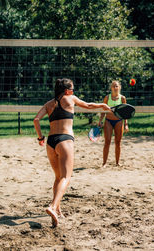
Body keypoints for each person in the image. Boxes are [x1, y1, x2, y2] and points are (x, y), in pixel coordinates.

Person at [33, 78, 110, 227]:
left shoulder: (49, 104)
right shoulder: (70, 98)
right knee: (66, 177)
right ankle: (52, 206)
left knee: (57, 177)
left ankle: (58, 209)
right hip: (65, 139)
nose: (74, 92)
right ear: (67, 91)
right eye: (72, 89)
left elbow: (36, 120)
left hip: (51, 142)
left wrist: (40, 137)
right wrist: (103, 105)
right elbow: (88, 105)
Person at [98, 81, 129, 167]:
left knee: (118, 142)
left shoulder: (122, 98)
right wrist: (100, 120)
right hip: (108, 121)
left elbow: (125, 112)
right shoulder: (107, 98)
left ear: (119, 87)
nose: (115, 88)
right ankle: (104, 163)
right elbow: (103, 110)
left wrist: (126, 124)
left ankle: (117, 163)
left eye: (116, 86)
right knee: (107, 142)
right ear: (111, 88)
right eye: (113, 86)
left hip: (119, 121)